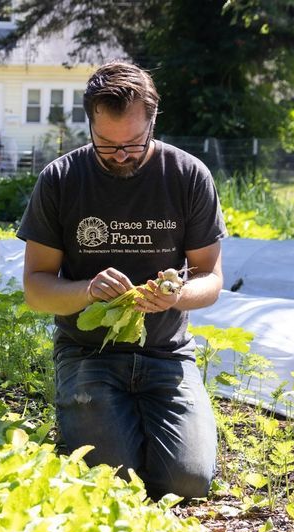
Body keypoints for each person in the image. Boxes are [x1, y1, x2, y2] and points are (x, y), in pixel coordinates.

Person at [17, 61, 227, 500]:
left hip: (166, 355)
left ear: (153, 121)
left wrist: (175, 297)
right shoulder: (61, 179)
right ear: (90, 121)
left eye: (133, 143)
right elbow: (36, 288)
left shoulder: (187, 176)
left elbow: (210, 277)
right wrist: (87, 289)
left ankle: (138, 426)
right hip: (88, 354)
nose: (121, 155)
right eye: (106, 144)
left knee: (187, 482)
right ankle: (105, 423)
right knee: (112, 482)